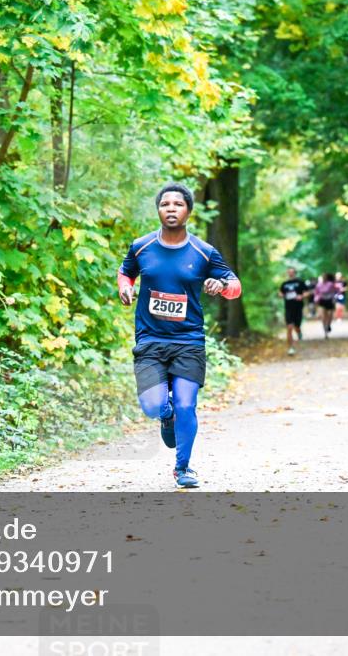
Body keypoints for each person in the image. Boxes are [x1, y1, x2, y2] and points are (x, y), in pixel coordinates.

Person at [117, 182, 242, 489]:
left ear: (188, 210)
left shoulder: (203, 251)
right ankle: (165, 415)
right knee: (153, 406)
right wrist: (125, 286)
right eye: (165, 204)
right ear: (158, 210)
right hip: (150, 340)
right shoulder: (142, 246)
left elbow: (235, 286)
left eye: (178, 204)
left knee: (187, 404)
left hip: (188, 341)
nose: (171, 208)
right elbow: (126, 271)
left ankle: (183, 467)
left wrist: (222, 286)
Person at [278, 267, 308, 356]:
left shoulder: (300, 282)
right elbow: (280, 292)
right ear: (287, 273)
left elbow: (307, 292)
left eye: (292, 272)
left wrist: (301, 296)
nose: (290, 273)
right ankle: (290, 348)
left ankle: (299, 332)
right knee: (289, 327)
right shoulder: (284, 284)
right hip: (288, 308)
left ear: (295, 273)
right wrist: (281, 295)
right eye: (289, 272)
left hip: (298, 307)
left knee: (296, 326)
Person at [313, 271, 338, 339]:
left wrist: (334, 299)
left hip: (329, 301)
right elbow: (316, 293)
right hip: (322, 301)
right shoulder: (318, 285)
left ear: (327, 278)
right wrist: (316, 300)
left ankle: (329, 325)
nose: (324, 278)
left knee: (330, 314)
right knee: (323, 316)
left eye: (325, 277)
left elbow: (335, 291)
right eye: (323, 276)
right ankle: (325, 331)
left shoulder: (331, 284)